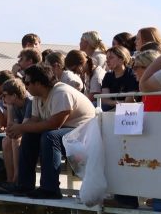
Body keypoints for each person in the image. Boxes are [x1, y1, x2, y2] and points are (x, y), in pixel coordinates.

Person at [7, 64, 95, 199]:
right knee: (30, 135)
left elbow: (54, 124)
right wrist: (18, 130)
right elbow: (34, 121)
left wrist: (21, 128)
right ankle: (24, 185)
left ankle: (50, 189)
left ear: (38, 83)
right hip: (67, 132)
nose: (25, 86)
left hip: (85, 133)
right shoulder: (37, 97)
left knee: (50, 136)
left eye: (27, 82)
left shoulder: (61, 93)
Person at [100, 46, 140, 111]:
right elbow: (104, 100)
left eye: (111, 58)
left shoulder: (132, 75)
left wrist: (115, 103)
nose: (107, 61)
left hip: (128, 111)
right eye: (107, 58)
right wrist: (116, 103)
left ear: (121, 59)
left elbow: (129, 101)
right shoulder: (108, 76)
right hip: (112, 108)